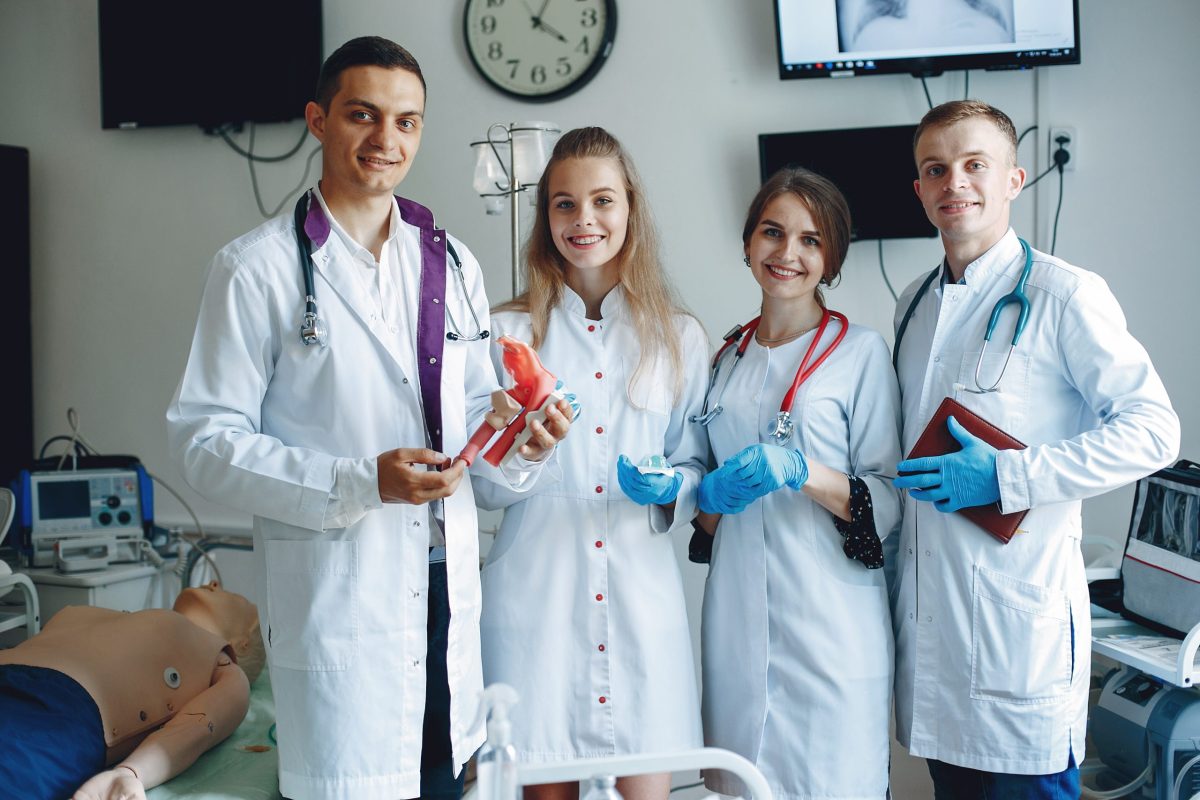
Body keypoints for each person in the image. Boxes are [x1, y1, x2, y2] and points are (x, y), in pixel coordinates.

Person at [166, 37, 571, 800]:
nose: (388, 140)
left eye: (408, 122)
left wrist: (527, 444)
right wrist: (359, 482)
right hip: (344, 598)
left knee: (447, 785)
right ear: (318, 121)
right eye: (364, 115)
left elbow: (483, 442)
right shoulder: (256, 270)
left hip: (448, 597)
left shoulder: (453, 264)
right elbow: (204, 444)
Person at [891, 99, 1180, 798]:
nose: (954, 182)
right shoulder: (913, 303)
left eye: (973, 165)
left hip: (1016, 640)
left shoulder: (1064, 295)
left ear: (1014, 180)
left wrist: (1007, 476)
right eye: (936, 169)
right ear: (920, 191)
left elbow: (1154, 430)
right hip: (933, 640)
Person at [471, 127, 708, 800]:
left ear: (630, 207)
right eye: (564, 204)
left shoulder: (679, 337)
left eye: (602, 201)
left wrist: (675, 485)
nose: (584, 221)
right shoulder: (504, 334)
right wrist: (526, 454)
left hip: (642, 603)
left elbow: (695, 462)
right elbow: (480, 488)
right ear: (545, 218)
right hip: (535, 604)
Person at [694, 167, 902, 799]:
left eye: (811, 240)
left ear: (832, 254)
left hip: (830, 621)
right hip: (734, 614)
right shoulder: (724, 357)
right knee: (741, 785)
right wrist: (700, 498)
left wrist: (800, 471)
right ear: (748, 243)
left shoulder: (859, 353)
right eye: (773, 232)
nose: (788, 253)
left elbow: (890, 498)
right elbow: (705, 501)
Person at [0, 582, 264, 800]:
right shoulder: (125, 621)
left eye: (235, 595)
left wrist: (131, 772)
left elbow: (199, 727)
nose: (215, 583)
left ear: (241, 644)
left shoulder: (219, 663)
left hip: (59, 711)